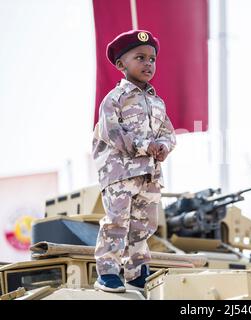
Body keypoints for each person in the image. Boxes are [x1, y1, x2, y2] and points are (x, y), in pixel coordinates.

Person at [92, 29, 176, 293]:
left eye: (152, 59)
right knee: (117, 221)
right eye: (140, 57)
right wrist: (144, 146)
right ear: (121, 65)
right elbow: (112, 132)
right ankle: (107, 272)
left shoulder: (157, 102)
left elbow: (169, 134)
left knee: (143, 225)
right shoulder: (114, 99)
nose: (148, 63)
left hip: (149, 175)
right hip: (119, 173)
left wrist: (163, 146)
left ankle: (136, 272)